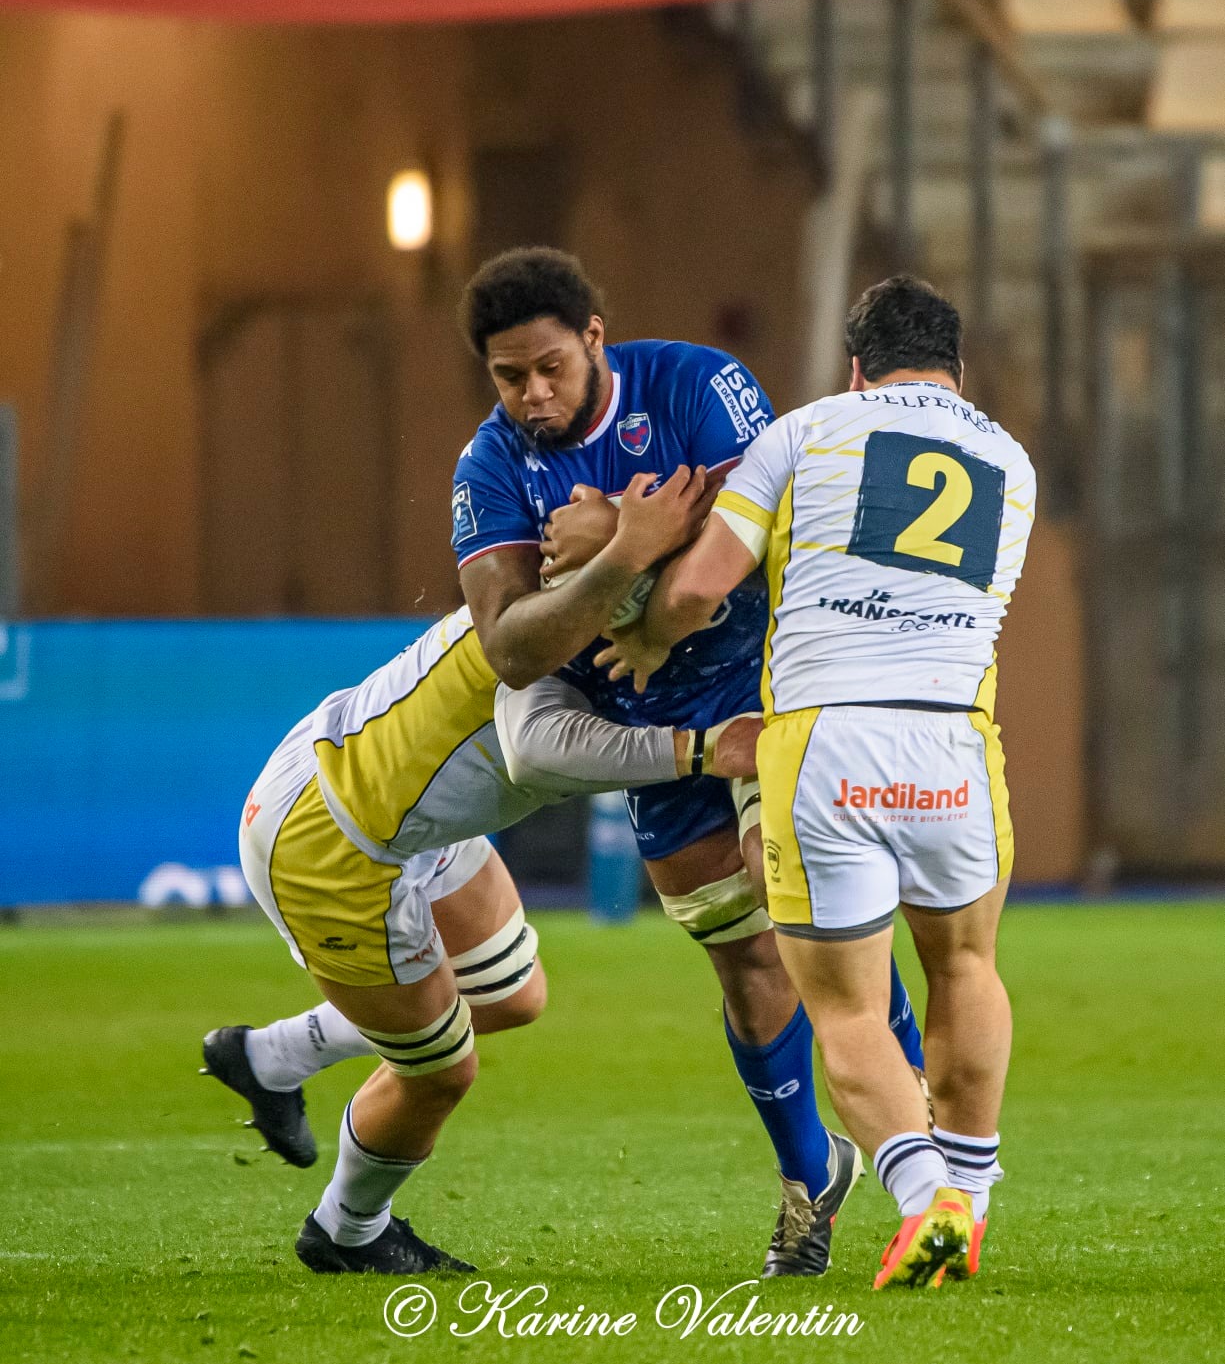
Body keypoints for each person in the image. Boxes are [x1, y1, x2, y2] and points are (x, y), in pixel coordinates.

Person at [449, 246, 927, 1277]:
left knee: (797, 893)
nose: (533, 395)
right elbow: (511, 646)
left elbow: (768, 522)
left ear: (593, 337)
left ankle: (916, 1139)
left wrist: (613, 539)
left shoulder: (693, 383)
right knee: (744, 959)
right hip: (652, 722)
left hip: (769, 678)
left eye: (549, 367)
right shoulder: (489, 467)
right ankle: (810, 1177)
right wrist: (628, 546)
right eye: (508, 376)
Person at [600, 274, 1035, 1290]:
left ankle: (924, 1198)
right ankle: (969, 1199)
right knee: (965, 968)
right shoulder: (1009, 460)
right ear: (956, 368)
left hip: (825, 743)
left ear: (855, 368)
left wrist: (646, 638)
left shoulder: (803, 431)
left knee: (844, 1005)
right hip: (953, 740)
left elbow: (700, 586)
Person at [210, 469, 713, 1276]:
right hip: (337, 840)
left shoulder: (587, 585)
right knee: (440, 1071)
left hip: (381, 789)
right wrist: (699, 750)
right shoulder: (579, 615)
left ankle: (272, 1056)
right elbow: (539, 748)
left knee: (511, 995)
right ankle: (348, 1231)